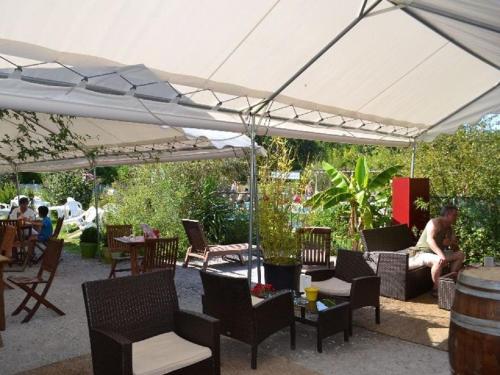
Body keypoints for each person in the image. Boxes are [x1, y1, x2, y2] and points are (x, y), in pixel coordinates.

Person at [414, 205, 465, 296]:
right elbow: (430, 240)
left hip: (436, 253)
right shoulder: (434, 222)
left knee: (460, 254)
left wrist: (452, 243)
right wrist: (441, 255)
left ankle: (450, 281)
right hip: (423, 252)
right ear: (448, 214)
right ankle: (436, 289)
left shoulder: (449, 228)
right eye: (455, 215)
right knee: (438, 260)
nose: (456, 217)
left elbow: (455, 248)